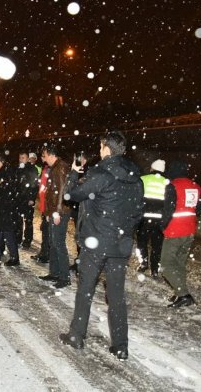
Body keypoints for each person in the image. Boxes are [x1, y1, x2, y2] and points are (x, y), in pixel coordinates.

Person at [59, 131, 143, 361]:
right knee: (116, 296)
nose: (99, 150)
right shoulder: (136, 178)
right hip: (121, 244)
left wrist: (73, 176)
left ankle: (76, 335)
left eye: (100, 146)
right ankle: (120, 345)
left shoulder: (101, 173)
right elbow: (138, 213)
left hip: (96, 243)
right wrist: (123, 233)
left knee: (85, 290)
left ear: (106, 148)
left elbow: (70, 196)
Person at [161, 160, 201, 308]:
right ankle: (179, 293)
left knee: (166, 265)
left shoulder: (172, 186)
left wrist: (163, 226)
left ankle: (184, 294)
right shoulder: (195, 186)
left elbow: (167, 210)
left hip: (175, 230)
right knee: (179, 263)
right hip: (190, 231)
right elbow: (199, 210)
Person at [38, 144, 72, 289]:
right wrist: (48, 212)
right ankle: (54, 272)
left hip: (60, 212)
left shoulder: (61, 168)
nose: (43, 157)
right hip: (53, 212)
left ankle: (64, 277)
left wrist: (57, 212)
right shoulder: (54, 168)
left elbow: (61, 192)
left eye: (45, 154)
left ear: (51, 154)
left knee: (58, 243)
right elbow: (50, 193)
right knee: (53, 242)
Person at [136, 159, 169, 276]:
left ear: (152, 169)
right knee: (157, 245)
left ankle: (143, 262)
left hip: (144, 218)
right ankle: (155, 269)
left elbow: (137, 198)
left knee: (142, 241)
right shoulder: (167, 182)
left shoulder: (143, 179)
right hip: (159, 220)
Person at [68, 151, 89, 273]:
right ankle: (79, 261)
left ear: (84, 160)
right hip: (77, 209)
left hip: (85, 211)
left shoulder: (88, 173)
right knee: (78, 237)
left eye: (79, 159)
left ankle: (82, 263)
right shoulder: (76, 171)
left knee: (83, 238)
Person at [16, 152, 39, 249]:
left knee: (28, 220)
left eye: (23, 157)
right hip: (18, 198)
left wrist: (32, 198)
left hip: (27, 198)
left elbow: (34, 185)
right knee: (18, 220)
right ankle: (18, 238)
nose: (21, 159)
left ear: (27, 159)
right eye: (20, 157)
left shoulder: (32, 169)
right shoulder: (18, 169)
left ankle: (27, 240)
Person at [31, 161, 51, 264]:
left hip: (48, 207)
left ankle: (46, 253)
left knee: (47, 231)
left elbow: (49, 191)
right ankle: (44, 252)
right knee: (44, 230)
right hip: (45, 206)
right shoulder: (45, 169)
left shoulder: (50, 170)